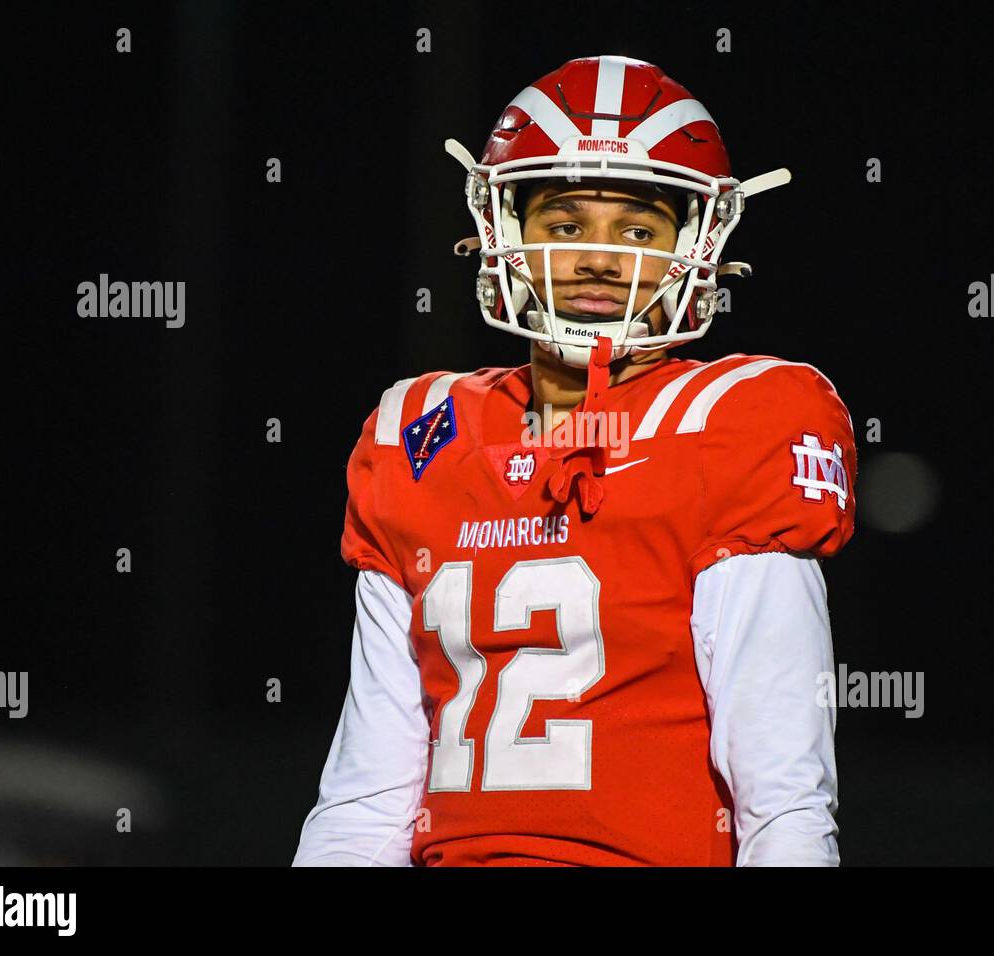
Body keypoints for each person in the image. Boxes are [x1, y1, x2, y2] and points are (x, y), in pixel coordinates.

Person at [293, 55, 857, 867]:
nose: (599, 258)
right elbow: (367, 798)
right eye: (564, 225)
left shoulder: (732, 425)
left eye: (637, 229)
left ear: (694, 242)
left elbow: (785, 797)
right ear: (504, 231)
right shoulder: (420, 433)